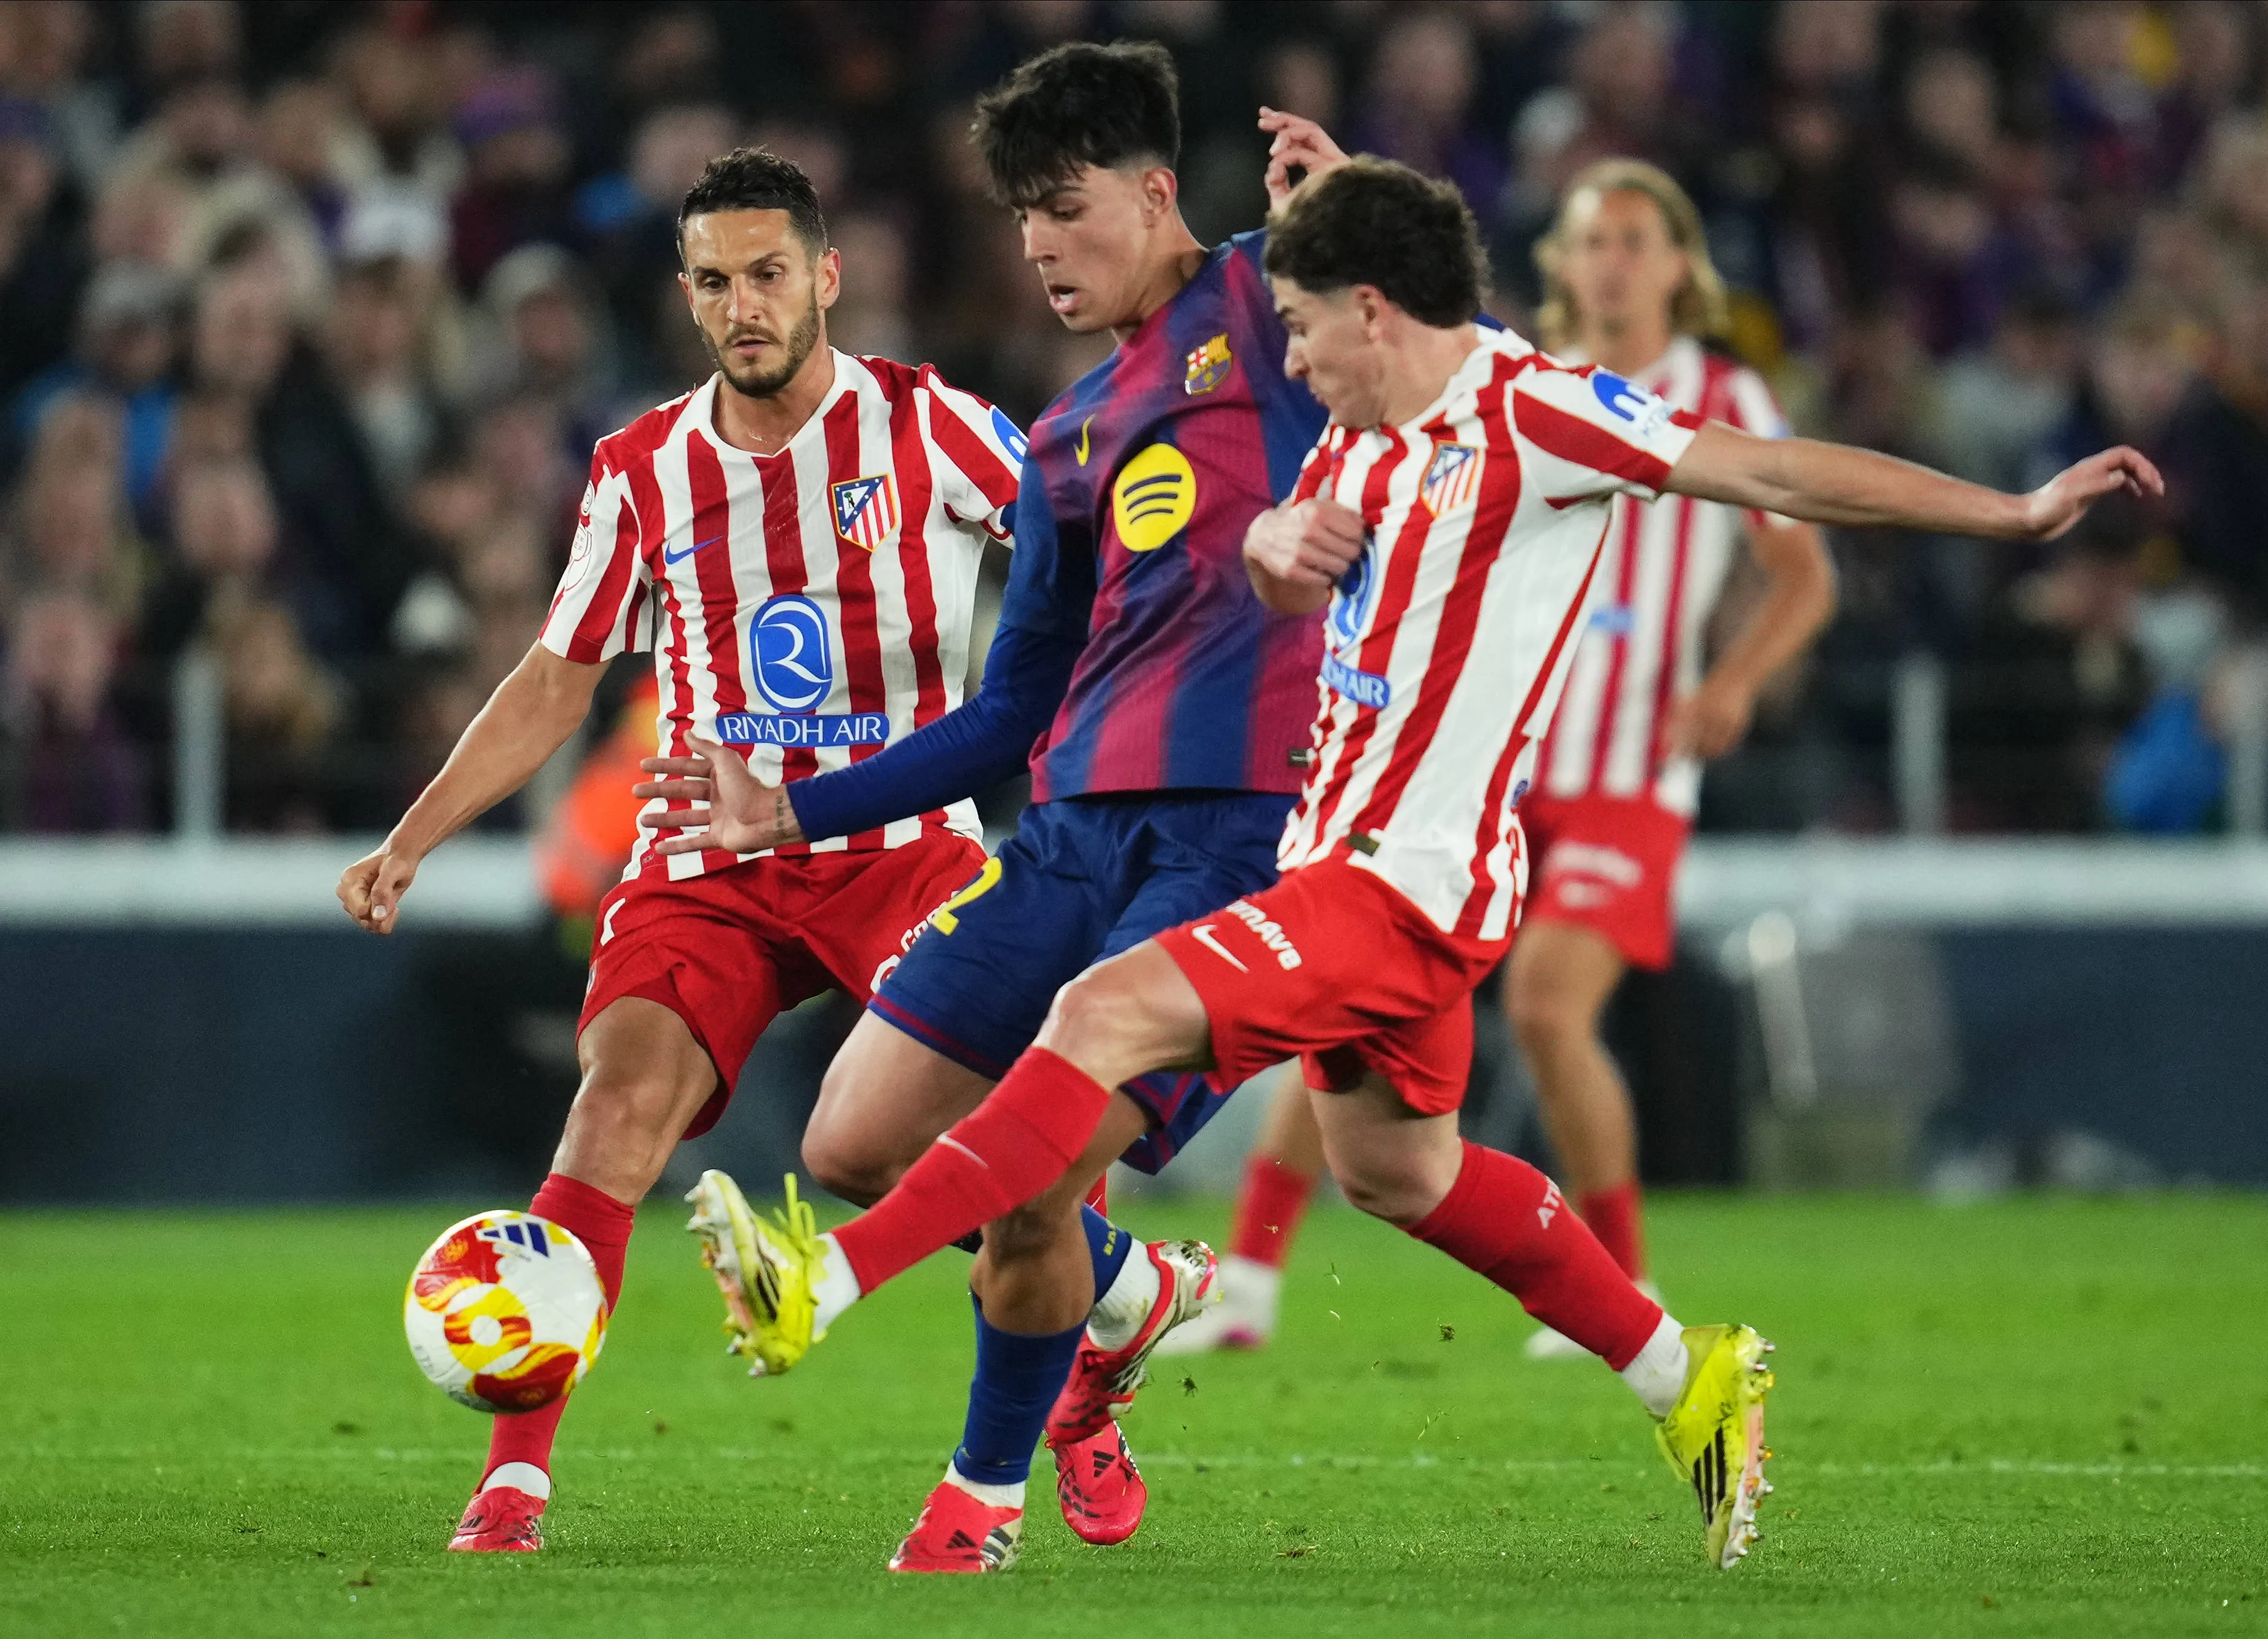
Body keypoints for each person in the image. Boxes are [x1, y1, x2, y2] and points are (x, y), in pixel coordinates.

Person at [660, 157, 2161, 1570]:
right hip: (1354, 865)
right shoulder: (1369, 454)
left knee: (1097, 1017)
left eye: (1305, 330)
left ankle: (833, 1277)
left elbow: (1767, 466)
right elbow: (1294, 563)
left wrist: (2010, 510)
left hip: (1401, 880)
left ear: (1373, 310)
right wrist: (1268, 556)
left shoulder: (1540, 413)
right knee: (1400, 1170)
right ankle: (1681, 1373)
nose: (1292, 361)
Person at [637, 44, 1353, 1571]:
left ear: (1156, 193)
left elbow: (1450, 343)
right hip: (1063, 839)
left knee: (1040, 1157)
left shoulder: (1268, 310)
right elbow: (1008, 714)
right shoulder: (1065, 439)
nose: (1036, 242)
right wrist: (795, 810)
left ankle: (980, 1499)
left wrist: (1354, 218)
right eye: (1017, 214)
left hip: (1235, 841)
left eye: (1065, 206)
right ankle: (1122, 1297)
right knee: (852, 1133)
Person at [333, 147, 1023, 1555]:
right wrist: (410, 838)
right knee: (611, 1106)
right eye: (713, 281)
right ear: (686, 297)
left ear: (825, 275)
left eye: (768, 274)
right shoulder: (640, 469)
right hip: (708, 853)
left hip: (899, 841)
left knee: (906, 1153)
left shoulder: (931, 425)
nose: (742, 305)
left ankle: (1102, 1310)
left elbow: (1080, 564)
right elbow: (552, 679)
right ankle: (513, 1482)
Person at [1162, 159, 1838, 1359]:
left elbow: (1800, 563)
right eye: (1592, 239)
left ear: (1681, 265)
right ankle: (1253, 1280)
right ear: (1561, 262)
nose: (1612, 262)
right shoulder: (1514, 375)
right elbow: (1403, 327)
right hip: (1484, 773)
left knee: (1543, 1004)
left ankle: (1614, 1288)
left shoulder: (1718, 387)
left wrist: (1730, 680)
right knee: (1340, 1005)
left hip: (1629, 767)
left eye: (1637, 239)